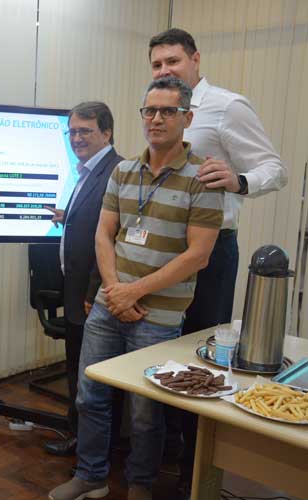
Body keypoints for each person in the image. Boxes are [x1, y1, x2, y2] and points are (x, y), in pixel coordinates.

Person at [48, 76, 223, 500]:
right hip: (110, 305)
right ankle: (91, 475)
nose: (156, 119)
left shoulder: (203, 178)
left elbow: (198, 255)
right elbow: (104, 235)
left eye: (167, 111)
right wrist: (115, 290)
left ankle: (140, 485)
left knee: (145, 410)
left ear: (187, 118)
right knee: (90, 396)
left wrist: (134, 292)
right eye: (150, 111)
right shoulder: (123, 171)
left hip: (158, 316)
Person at [148, 28, 287, 493]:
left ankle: (195, 466)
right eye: (156, 64)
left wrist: (239, 180)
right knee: (161, 350)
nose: (164, 70)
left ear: (195, 60)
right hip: (163, 248)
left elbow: (274, 169)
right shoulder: (158, 108)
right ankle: (160, 452)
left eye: (173, 61)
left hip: (211, 251)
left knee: (197, 358)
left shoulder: (227, 106)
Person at [43, 102, 123, 457]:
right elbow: (93, 222)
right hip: (76, 289)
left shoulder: (115, 172)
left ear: (106, 133)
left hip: (93, 294)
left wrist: (94, 292)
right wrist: (69, 216)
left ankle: (91, 448)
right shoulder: (89, 170)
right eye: (72, 131)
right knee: (77, 368)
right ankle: (79, 437)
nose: (76, 138)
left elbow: (113, 239)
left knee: (91, 376)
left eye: (85, 131)